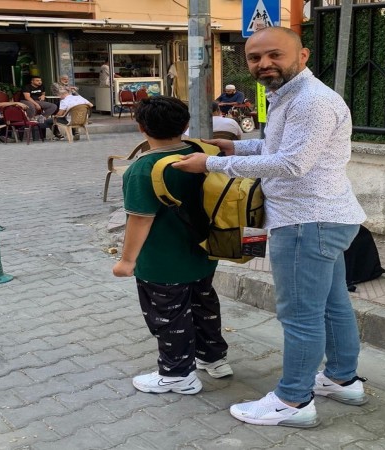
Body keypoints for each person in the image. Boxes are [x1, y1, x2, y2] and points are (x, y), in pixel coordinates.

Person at [172, 26, 368, 428]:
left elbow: (292, 164)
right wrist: (236, 146)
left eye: (274, 55)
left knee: (300, 316)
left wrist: (211, 163)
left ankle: (293, 401)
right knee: (332, 306)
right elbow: (279, 148)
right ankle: (342, 380)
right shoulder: (289, 96)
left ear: (303, 55)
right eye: (255, 57)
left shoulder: (311, 101)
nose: (264, 64)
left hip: (305, 223)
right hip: (324, 219)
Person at [112, 96, 232, 395]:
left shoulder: (143, 169)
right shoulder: (200, 154)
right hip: (204, 251)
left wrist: (126, 261)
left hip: (162, 262)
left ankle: (178, 374)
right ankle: (213, 358)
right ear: (186, 124)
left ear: (141, 127)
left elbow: (139, 220)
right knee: (204, 305)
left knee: (169, 316)